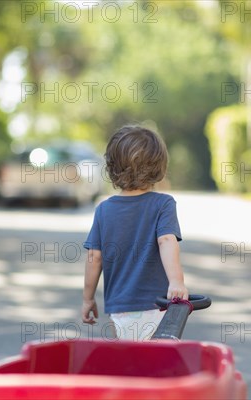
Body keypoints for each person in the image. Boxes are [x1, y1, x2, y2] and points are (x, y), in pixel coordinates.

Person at [81, 125, 188, 340]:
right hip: (158, 305)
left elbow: (94, 257)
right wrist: (176, 282)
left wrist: (88, 298)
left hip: (119, 308)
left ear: (112, 167)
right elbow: (167, 240)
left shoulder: (104, 209)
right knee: (158, 363)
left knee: (126, 362)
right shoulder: (163, 203)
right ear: (159, 166)